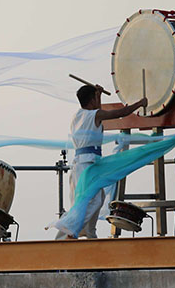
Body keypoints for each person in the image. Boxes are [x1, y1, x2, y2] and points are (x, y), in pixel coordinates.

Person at [55, 84, 147, 239]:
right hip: (87, 164)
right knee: (94, 200)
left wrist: (98, 94)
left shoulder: (78, 115)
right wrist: (139, 103)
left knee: (92, 199)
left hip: (81, 164)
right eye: (96, 98)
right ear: (92, 100)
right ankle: (71, 231)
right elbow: (120, 113)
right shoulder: (94, 115)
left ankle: (89, 232)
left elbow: (96, 110)